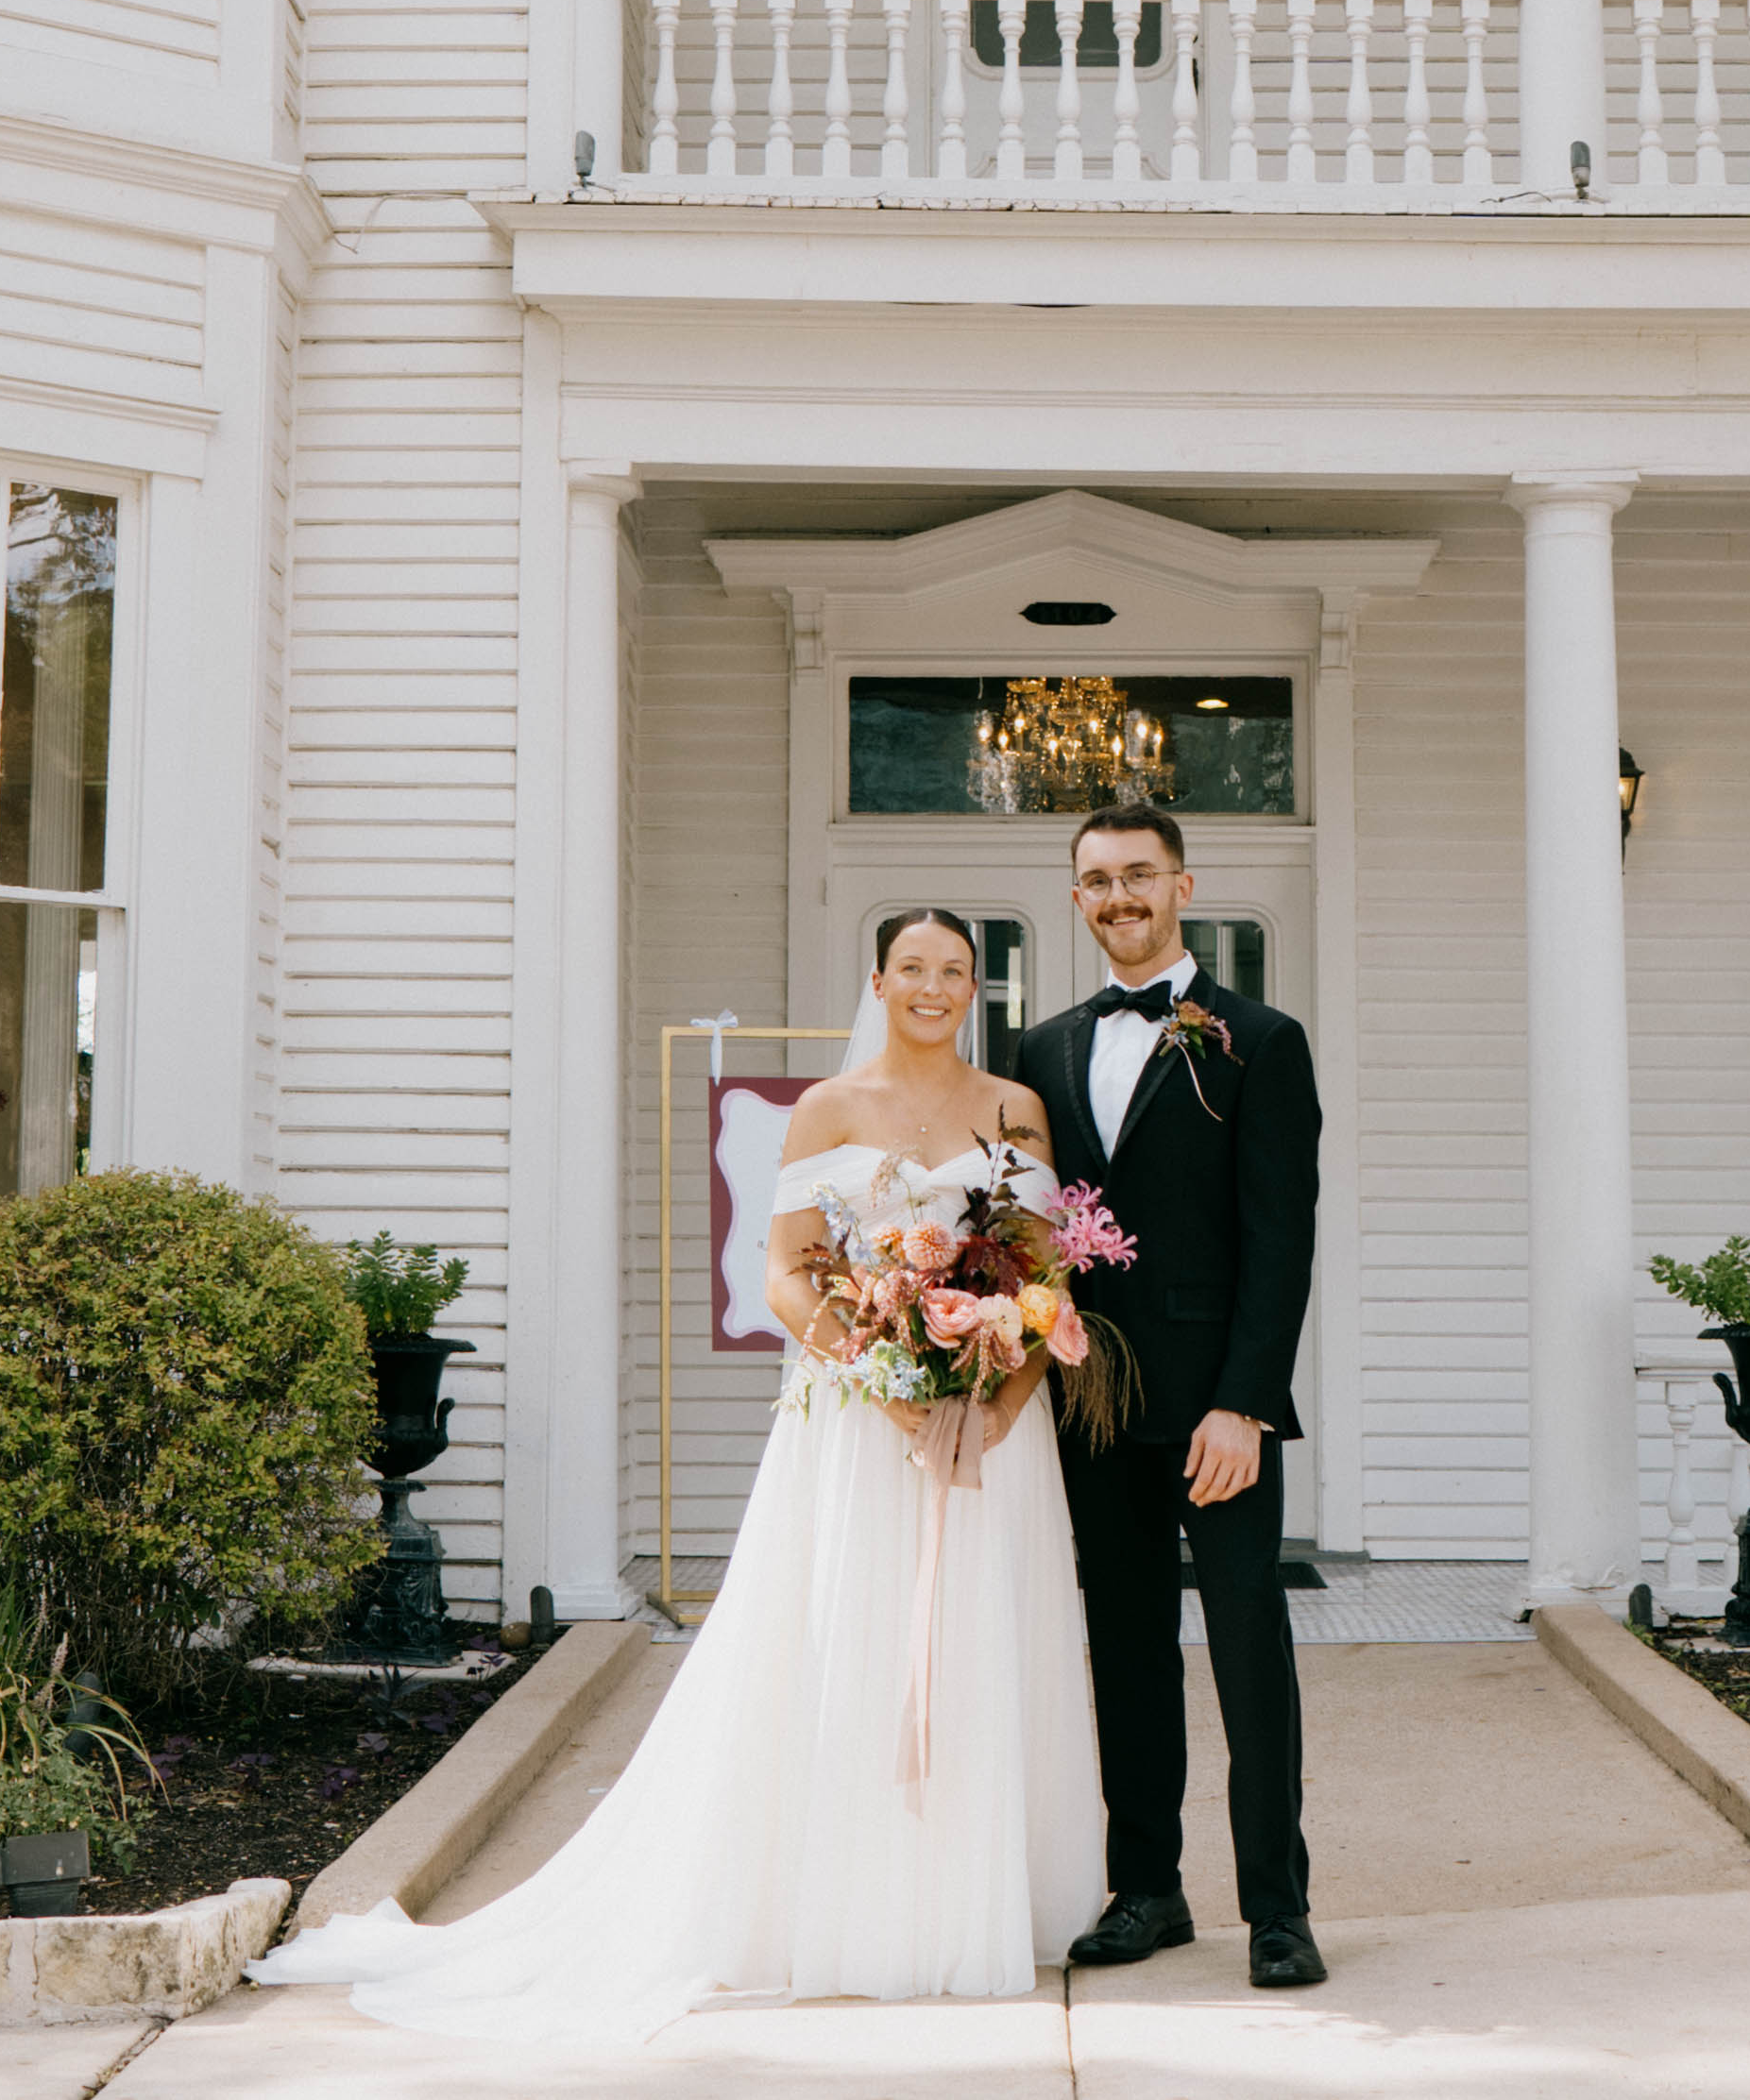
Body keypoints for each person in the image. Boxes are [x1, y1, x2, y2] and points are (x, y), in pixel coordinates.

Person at [250, 908, 1103, 2039]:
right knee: (846, 1642)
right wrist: (883, 1371)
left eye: (955, 970)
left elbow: (1044, 1275)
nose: (935, 987)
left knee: (986, 1640)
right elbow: (791, 1277)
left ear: (975, 986)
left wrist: (996, 1398)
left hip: (991, 1428)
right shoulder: (827, 1110)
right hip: (858, 1420)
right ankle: (853, 1910)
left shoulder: (1015, 1109)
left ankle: (982, 1902)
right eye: (914, 968)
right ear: (878, 978)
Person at [1012, 800, 1328, 1991]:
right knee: (1125, 1646)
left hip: (1215, 1409)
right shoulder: (1040, 1049)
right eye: (1095, 880)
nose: (1118, 898)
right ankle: (1147, 1887)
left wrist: (1245, 1402)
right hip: (1089, 1404)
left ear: (1183, 888)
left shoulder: (1260, 1039)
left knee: (1250, 1650)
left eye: (1138, 875)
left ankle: (1278, 1908)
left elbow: (1278, 1239)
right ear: (1078, 897)